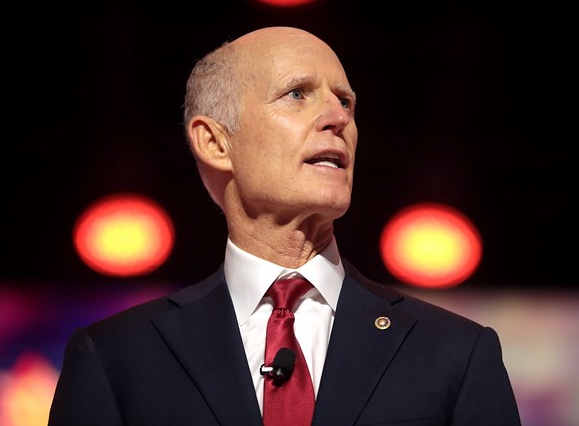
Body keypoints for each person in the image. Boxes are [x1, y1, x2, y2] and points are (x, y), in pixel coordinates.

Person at [48, 26, 521, 425]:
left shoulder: (455, 354)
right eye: (297, 94)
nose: (338, 118)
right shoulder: (116, 359)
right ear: (215, 143)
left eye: (346, 102)